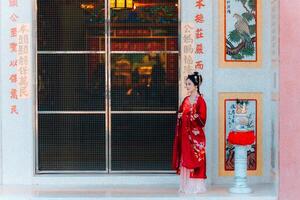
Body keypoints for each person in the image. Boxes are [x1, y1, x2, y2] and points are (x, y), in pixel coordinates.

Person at [172, 71, 207, 194]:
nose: (187, 86)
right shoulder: (186, 100)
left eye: (189, 84)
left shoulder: (200, 101)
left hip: (196, 137)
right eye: (186, 84)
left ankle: (196, 187)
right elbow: (180, 113)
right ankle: (186, 185)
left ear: (195, 85)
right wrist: (181, 116)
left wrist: (188, 115)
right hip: (186, 135)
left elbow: (202, 120)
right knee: (185, 158)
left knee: (197, 159)